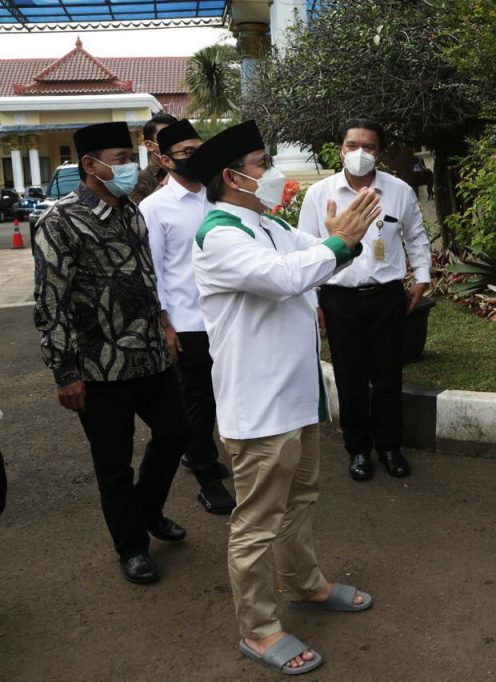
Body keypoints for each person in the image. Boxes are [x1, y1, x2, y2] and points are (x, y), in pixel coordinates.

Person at [187, 120, 380, 675]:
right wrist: (340, 241)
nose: (270, 173)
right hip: (260, 406)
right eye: (260, 164)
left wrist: (343, 239)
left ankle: (306, 585)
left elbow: (317, 254)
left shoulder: (267, 224)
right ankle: (260, 627)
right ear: (230, 176)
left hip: (296, 396)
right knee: (257, 522)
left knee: (300, 502)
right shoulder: (220, 234)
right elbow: (283, 278)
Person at [33, 121, 190, 585]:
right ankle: (133, 547)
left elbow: (146, 277)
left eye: (128, 157)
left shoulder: (132, 213)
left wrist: (164, 325)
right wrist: (65, 373)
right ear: (90, 165)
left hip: (149, 356)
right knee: (113, 461)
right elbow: (50, 302)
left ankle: (147, 510)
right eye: (119, 159)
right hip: (98, 366)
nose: (129, 167)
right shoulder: (59, 222)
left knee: (176, 433)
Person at [298, 119, 431, 482]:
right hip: (339, 298)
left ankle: (389, 446)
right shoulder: (320, 194)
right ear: (340, 149)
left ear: (379, 152)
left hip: (386, 297)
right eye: (352, 144)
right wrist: (315, 303)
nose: (360, 153)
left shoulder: (398, 190)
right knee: (349, 376)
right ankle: (358, 449)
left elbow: (416, 236)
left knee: (388, 374)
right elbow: (306, 251)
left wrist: (422, 277)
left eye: (369, 146)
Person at [139, 118, 235, 515]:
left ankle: (208, 456)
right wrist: (165, 326)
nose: (198, 158)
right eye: (187, 153)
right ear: (164, 159)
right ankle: (206, 478)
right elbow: (153, 272)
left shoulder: (218, 198)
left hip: (226, 318)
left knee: (223, 396)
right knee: (196, 404)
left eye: (200, 149)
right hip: (187, 322)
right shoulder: (154, 207)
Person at [131, 112, 177, 204]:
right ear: (149, 145)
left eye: (176, 137)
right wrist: (165, 184)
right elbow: (140, 215)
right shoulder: (137, 182)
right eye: (166, 137)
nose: (173, 142)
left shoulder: (189, 171)